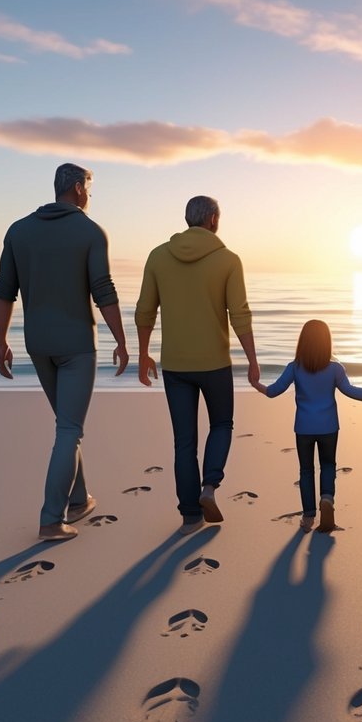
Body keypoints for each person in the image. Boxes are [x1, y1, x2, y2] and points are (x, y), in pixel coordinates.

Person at [0, 162, 129, 542]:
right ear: (77, 188)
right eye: (89, 186)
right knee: (69, 429)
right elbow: (103, 290)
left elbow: (4, 290)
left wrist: (1, 341)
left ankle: (78, 498)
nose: (90, 194)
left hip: (37, 344)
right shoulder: (90, 231)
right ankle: (51, 519)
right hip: (77, 346)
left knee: (67, 425)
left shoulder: (18, 230)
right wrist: (121, 339)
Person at [135, 195, 259, 536]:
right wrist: (252, 359)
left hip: (175, 364)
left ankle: (190, 514)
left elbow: (145, 310)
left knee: (183, 441)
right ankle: (210, 486)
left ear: (187, 218)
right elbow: (240, 314)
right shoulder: (228, 260)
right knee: (221, 425)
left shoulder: (158, 256)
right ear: (215, 219)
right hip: (215, 363)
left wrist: (144, 354)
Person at [253, 320, 362, 532]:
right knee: (328, 465)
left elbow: (274, 391)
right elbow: (350, 390)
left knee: (306, 470)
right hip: (328, 427)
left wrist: (256, 384)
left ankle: (309, 514)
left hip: (303, 428)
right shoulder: (335, 368)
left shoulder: (294, 367)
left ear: (303, 342)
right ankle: (327, 500)